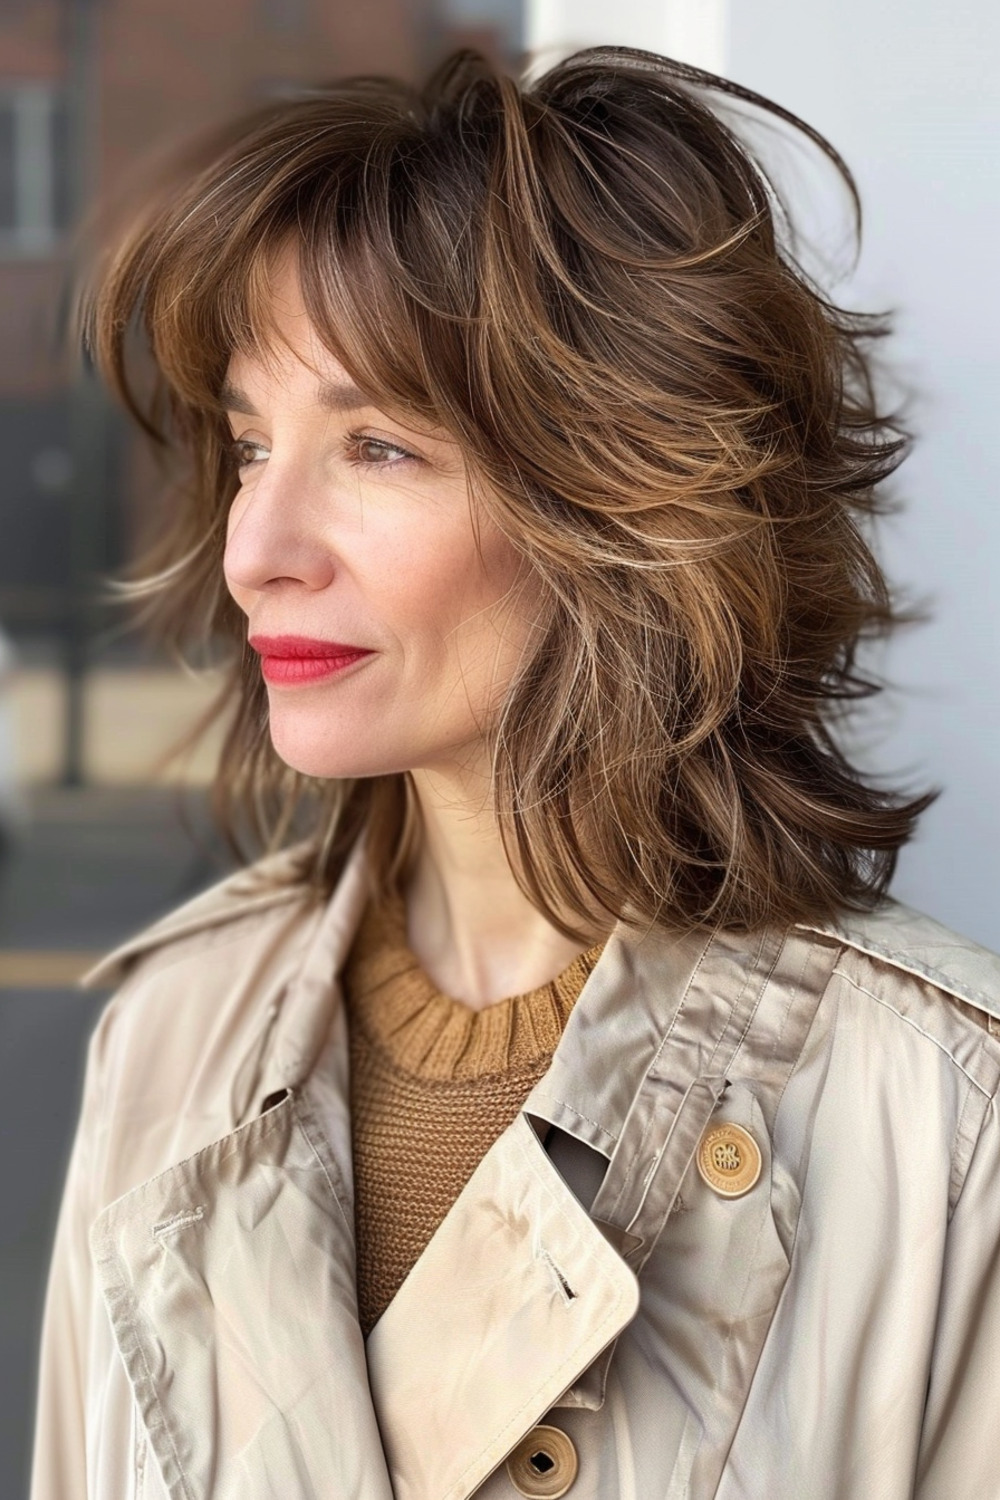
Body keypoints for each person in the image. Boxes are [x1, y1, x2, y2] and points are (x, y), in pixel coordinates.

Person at [29, 44, 1000, 1500]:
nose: (255, 551)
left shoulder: (937, 1114)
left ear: (617, 495)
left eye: (376, 448)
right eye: (248, 447)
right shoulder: (169, 1033)